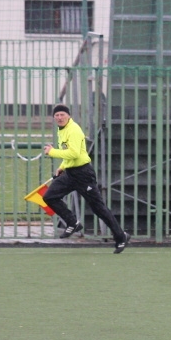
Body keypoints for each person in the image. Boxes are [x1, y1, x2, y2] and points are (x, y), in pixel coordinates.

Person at [42, 104, 130, 254]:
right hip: (70, 173)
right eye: (56, 115)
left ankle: (121, 236)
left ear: (68, 116)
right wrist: (62, 166)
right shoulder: (61, 129)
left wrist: (52, 152)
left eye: (62, 114)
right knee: (49, 196)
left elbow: (75, 153)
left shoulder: (74, 129)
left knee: (98, 208)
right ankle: (72, 222)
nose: (59, 117)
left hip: (83, 174)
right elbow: (67, 151)